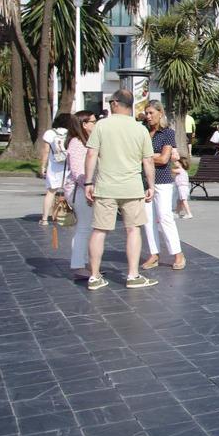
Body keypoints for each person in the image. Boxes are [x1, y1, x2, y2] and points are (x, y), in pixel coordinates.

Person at [83, 89, 158, 291]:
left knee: (99, 231)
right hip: (132, 188)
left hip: (105, 187)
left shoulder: (101, 126)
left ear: (116, 103)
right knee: (133, 230)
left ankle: (94, 276)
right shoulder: (140, 129)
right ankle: (133, 275)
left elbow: (91, 155)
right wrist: (150, 186)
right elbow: (148, 161)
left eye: (110, 101)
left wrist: (88, 183)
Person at [140, 101, 186, 272]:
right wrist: (152, 156)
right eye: (147, 113)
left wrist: (145, 157)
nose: (148, 116)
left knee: (165, 216)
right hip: (144, 181)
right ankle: (154, 253)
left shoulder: (167, 133)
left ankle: (178, 253)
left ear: (160, 113)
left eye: (151, 112)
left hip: (163, 180)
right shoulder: (143, 131)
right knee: (147, 219)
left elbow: (164, 159)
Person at [63, 111, 96, 280]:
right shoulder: (77, 143)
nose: (95, 124)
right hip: (80, 191)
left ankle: (87, 264)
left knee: (88, 228)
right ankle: (78, 265)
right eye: (93, 121)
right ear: (84, 124)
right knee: (84, 227)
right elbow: (77, 172)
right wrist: (90, 186)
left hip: (85, 189)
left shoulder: (85, 141)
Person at [38, 113, 72, 225]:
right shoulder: (71, 133)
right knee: (70, 191)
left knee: (51, 192)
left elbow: (46, 151)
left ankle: (44, 219)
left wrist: (43, 166)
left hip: (54, 166)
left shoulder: (50, 133)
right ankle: (69, 216)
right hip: (69, 165)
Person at [173, 150, 194, 219]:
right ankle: (177, 213)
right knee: (179, 201)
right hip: (182, 188)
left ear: (180, 164)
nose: (175, 163)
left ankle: (189, 213)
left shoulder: (180, 170)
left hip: (182, 188)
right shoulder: (183, 171)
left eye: (176, 162)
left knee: (184, 201)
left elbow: (171, 170)